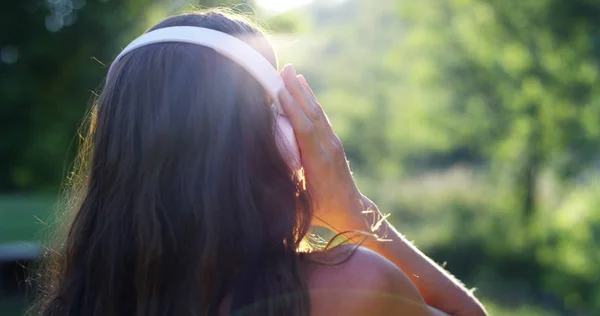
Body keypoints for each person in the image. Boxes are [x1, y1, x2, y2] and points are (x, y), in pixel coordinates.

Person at [35, 9, 487, 316]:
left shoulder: (78, 301)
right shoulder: (352, 287)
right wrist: (352, 211)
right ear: (275, 139)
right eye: (279, 110)